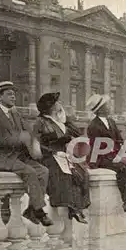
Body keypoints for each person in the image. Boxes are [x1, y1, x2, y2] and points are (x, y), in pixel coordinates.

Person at [0, 81, 53, 226]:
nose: (14, 97)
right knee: (29, 172)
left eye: (14, 94)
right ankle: (39, 211)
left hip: (18, 157)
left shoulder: (16, 114)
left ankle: (31, 209)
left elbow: (29, 132)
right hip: (1, 158)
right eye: (9, 94)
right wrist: (19, 138)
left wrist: (34, 145)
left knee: (44, 171)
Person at [33, 92, 91, 224]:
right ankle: (72, 208)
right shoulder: (40, 122)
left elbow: (77, 134)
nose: (60, 104)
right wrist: (53, 152)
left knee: (82, 173)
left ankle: (78, 207)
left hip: (64, 156)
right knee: (64, 175)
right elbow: (35, 145)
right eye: (57, 102)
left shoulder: (60, 121)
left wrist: (66, 119)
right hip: (48, 157)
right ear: (52, 106)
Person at [86, 94, 126, 214]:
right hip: (100, 158)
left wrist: (121, 155)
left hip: (112, 156)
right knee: (122, 168)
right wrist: (118, 157)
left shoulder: (111, 121)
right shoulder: (93, 126)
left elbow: (119, 140)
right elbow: (99, 147)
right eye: (107, 105)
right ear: (100, 109)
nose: (109, 106)